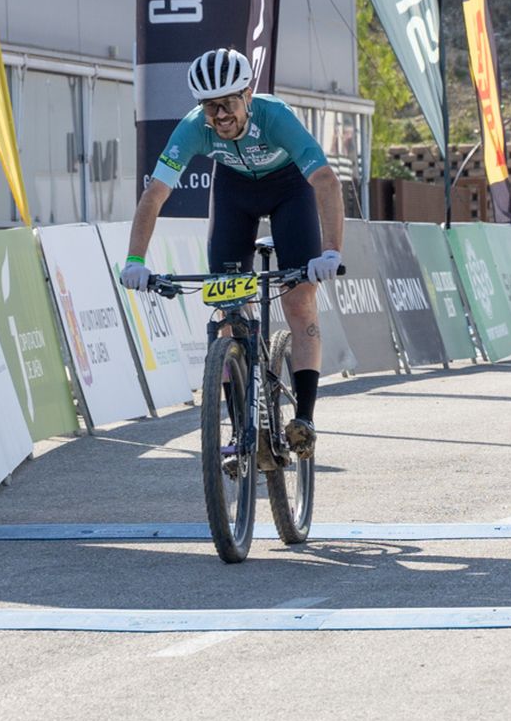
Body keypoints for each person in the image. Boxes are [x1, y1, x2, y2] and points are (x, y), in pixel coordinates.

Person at [117, 48, 344, 459]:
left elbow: (326, 181)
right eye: (209, 106)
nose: (220, 116)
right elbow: (155, 194)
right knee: (226, 305)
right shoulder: (192, 129)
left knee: (298, 302)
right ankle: (243, 426)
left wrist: (330, 253)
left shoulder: (276, 117)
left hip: (288, 190)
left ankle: (304, 420)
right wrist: (135, 260)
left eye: (228, 103)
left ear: (248, 94)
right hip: (234, 192)